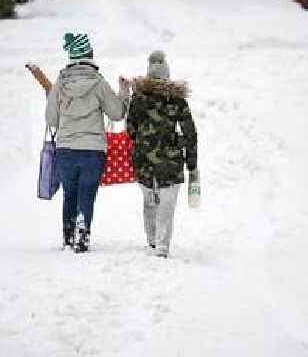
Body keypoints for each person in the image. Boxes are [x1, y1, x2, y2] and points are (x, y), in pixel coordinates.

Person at [41, 33, 130, 253]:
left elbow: (52, 120)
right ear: (89, 55)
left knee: (69, 194)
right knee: (87, 194)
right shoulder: (98, 83)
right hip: (92, 151)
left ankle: (68, 237)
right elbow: (117, 113)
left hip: (66, 151)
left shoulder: (59, 84)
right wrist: (124, 93)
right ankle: (82, 235)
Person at [127, 51, 198, 258]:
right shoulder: (177, 100)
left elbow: (130, 130)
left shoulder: (138, 98)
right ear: (167, 74)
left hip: (143, 160)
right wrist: (191, 162)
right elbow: (190, 133)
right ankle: (162, 247)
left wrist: (143, 139)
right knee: (167, 204)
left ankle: (151, 240)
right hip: (171, 161)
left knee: (149, 201)